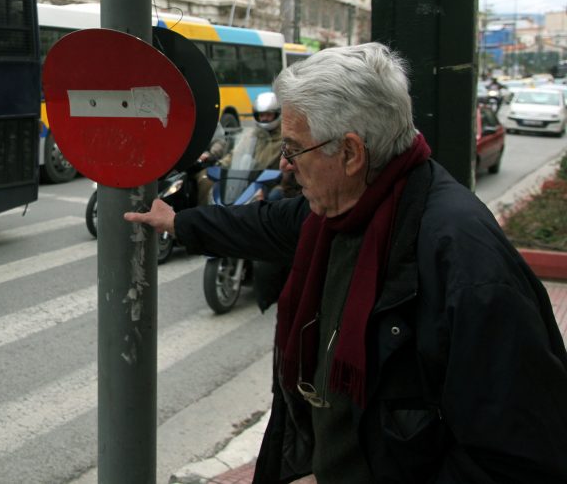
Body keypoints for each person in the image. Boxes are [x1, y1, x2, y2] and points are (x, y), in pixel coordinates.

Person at [125, 43, 567, 483]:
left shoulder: (465, 262)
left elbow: (517, 461)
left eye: (295, 149)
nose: (285, 165)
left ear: (351, 153)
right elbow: (265, 223)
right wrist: (180, 222)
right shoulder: (344, 208)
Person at [196, 92, 284, 206]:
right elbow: (235, 154)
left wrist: (282, 178)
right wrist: (221, 164)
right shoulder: (252, 135)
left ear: (277, 114)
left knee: (275, 196)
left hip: (273, 181)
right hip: (249, 179)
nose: (264, 118)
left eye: (268, 115)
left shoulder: (284, 137)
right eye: (261, 115)